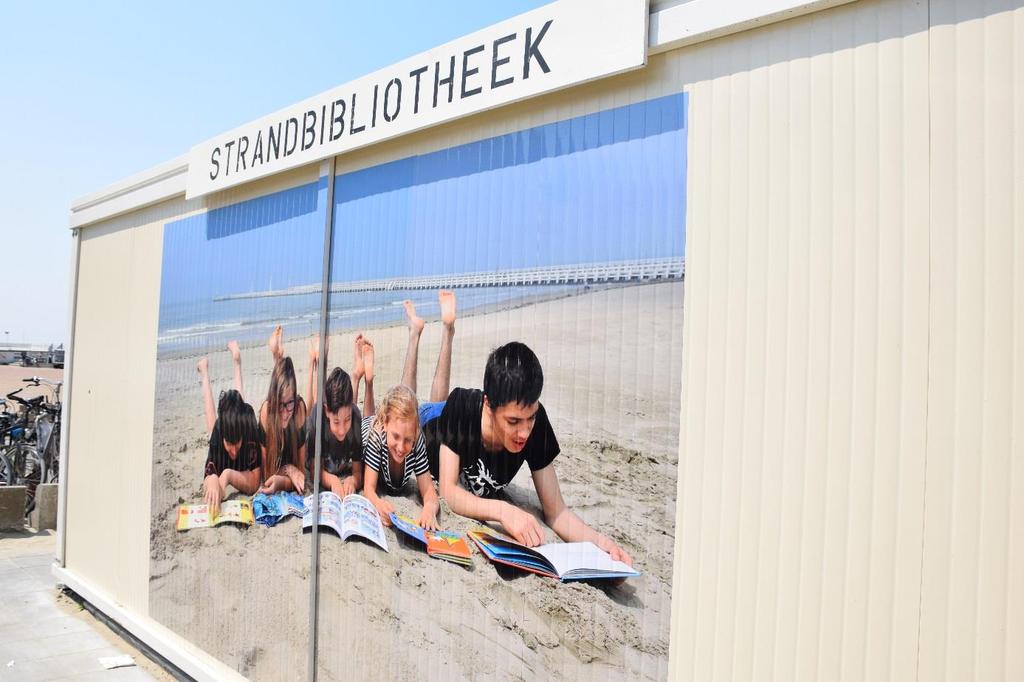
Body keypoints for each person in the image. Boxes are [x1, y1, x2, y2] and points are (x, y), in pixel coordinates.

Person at [424, 341, 633, 565]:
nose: (524, 432)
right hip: (429, 424)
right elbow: (449, 491)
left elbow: (557, 512)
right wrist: (504, 512)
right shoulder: (463, 407)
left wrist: (601, 545)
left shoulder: (537, 424)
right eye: (513, 421)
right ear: (488, 405)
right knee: (423, 406)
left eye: (530, 418)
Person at [360, 291, 457, 529]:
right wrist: (378, 504)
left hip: (402, 418)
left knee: (434, 407)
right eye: (396, 437)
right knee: (362, 415)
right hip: (368, 424)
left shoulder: (415, 440)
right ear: (385, 426)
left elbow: (430, 494)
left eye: (408, 440)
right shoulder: (378, 437)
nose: (402, 447)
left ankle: (442, 332)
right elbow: (368, 490)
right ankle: (366, 379)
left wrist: (429, 509)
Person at [195, 343, 261, 515]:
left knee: (239, 406)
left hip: (243, 421)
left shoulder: (248, 428)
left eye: (236, 445)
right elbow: (208, 475)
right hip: (221, 428)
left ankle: (237, 362)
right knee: (212, 427)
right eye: (229, 445)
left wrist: (228, 476)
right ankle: (204, 373)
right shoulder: (219, 431)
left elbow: (255, 481)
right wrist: (212, 480)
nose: (233, 452)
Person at [304, 336, 363, 497]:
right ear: (327, 412)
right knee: (312, 408)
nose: (342, 430)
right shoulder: (319, 419)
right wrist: (333, 481)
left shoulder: (355, 416)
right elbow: (315, 471)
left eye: (347, 420)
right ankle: (316, 360)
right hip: (314, 422)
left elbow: (358, 471)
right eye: (336, 422)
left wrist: (353, 480)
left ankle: (323, 359)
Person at [258, 327, 308, 494]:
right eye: (280, 404)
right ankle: (277, 356)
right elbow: (266, 474)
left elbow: (301, 471)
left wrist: (291, 472)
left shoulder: (299, 409)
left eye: (289, 403)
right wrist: (288, 470)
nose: (286, 412)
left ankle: (277, 355)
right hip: (276, 464)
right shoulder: (267, 411)